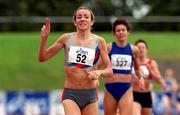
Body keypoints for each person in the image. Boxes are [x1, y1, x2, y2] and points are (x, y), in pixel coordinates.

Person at [39, 6, 112, 115]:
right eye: (79, 17)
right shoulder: (66, 38)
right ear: (75, 21)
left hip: (90, 94)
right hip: (71, 94)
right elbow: (43, 57)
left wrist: (99, 72)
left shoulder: (99, 41)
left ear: (92, 22)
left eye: (86, 17)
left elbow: (109, 70)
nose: (82, 19)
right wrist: (44, 39)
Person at [100, 19, 144, 115]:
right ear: (114, 33)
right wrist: (96, 75)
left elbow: (137, 68)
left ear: (128, 32)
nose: (121, 32)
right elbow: (97, 66)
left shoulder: (134, 49)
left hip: (126, 89)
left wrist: (141, 78)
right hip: (110, 88)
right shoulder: (108, 48)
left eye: (123, 30)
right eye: (118, 30)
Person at [132, 39, 167, 115]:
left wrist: (150, 71)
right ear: (135, 50)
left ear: (147, 50)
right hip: (134, 94)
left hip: (146, 95)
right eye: (139, 48)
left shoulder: (151, 63)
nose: (141, 50)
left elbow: (158, 79)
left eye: (143, 48)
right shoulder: (132, 62)